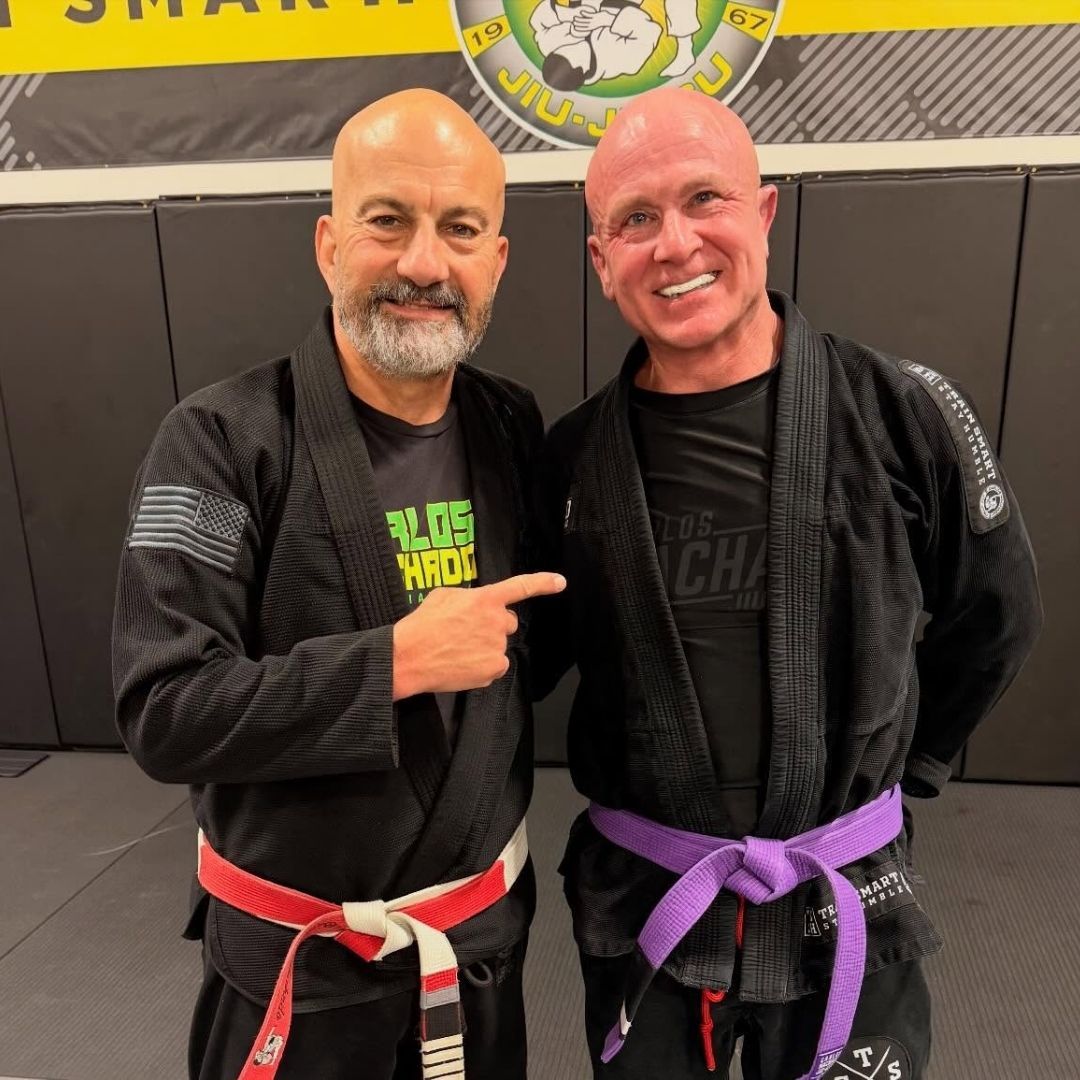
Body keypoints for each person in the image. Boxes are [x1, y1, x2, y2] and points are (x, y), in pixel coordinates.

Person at [535, 85, 1042, 1079]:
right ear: (601, 259)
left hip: (847, 894)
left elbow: (999, 615)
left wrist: (907, 769)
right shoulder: (569, 462)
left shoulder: (903, 411)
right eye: (635, 220)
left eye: (704, 200)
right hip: (648, 908)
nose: (674, 244)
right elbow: (525, 665)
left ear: (764, 211)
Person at [112, 88, 564, 1080]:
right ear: (328, 244)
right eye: (387, 222)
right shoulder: (220, 441)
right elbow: (165, 707)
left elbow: (526, 658)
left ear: (495, 260)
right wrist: (388, 665)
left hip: (476, 955)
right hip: (299, 969)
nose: (422, 264)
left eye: (459, 230)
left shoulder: (510, 428)